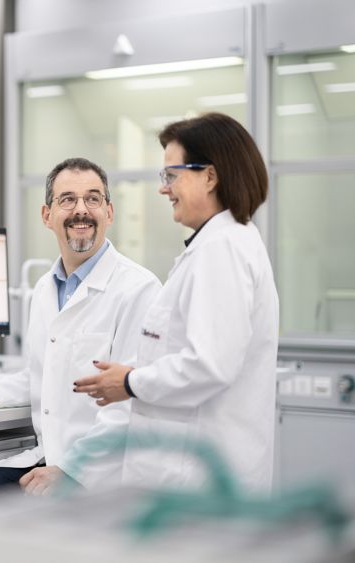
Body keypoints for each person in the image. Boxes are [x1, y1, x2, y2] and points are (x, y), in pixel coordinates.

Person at [73, 113, 279, 492]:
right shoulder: (220, 245)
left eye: (171, 176)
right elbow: (193, 350)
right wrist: (135, 370)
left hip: (197, 478)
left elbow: (209, 366)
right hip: (195, 469)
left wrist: (131, 381)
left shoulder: (221, 250)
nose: (163, 189)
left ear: (210, 176)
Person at [0, 157, 160, 498]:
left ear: (109, 213)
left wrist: (73, 470)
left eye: (93, 199)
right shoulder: (45, 289)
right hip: (50, 458)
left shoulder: (139, 289)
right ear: (46, 215)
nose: (80, 210)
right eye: (67, 199)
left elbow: (130, 401)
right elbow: (43, 372)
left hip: (99, 474)